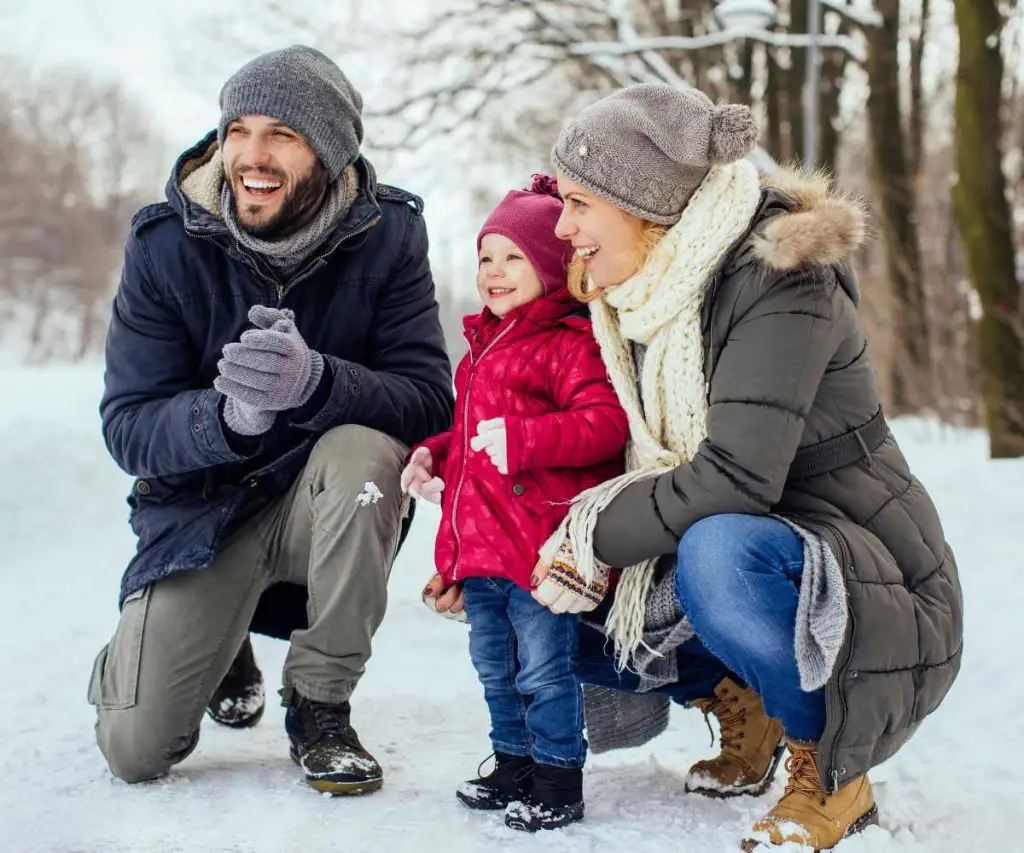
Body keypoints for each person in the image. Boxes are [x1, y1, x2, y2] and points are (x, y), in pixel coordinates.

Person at [430, 83, 963, 851]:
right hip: (764, 548)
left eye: (580, 203)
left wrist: (586, 532)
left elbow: (738, 480)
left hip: (866, 579)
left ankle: (830, 769)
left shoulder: (778, 276)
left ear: (641, 201)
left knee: (714, 552)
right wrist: (485, 547)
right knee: (530, 595)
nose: (563, 224)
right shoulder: (636, 292)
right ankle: (744, 697)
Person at [88, 45, 454, 796]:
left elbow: (427, 401)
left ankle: (320, 703)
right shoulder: (164, 243)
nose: (250, 156)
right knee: (134, 749)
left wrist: (321, 383)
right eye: (238, 130)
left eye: (281, 134)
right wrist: (230, 418)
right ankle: (217, 642)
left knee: (366, 454)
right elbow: (128, 424)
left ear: (328, 149)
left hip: (323, 502)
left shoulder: (389, 236)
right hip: (202, 514)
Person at [408, 177, 629, 831]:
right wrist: (436, 452)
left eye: (513, 257)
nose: (494, 272)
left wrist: (526, 439)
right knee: (494, 667)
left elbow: (605, 424)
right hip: (482, 552)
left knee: (543, 668)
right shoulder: (478, 351)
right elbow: (475, 437)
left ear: (555, 264)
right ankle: (514, 764)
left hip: (538, 550)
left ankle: (559, 777)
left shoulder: (570, 342)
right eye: (486, 257)